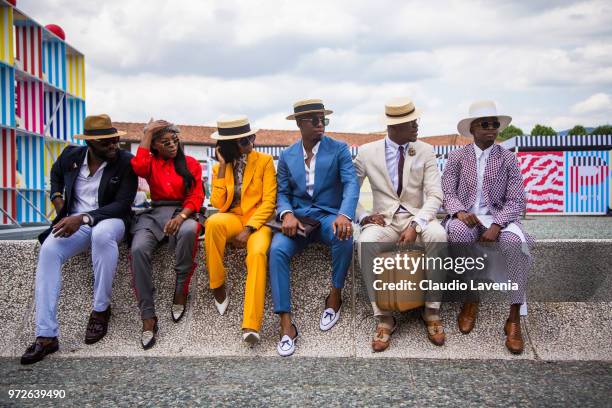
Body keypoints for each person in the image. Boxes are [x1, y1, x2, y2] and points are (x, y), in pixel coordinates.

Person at [21, 114, 137, 365]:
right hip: (76, 223)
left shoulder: (126, 162)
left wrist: (83, 218)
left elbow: (122, 205)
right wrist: (56, 197)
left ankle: (100, 310)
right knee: (50, 249)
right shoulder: (71, 156)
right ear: (91, 144)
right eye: (107, 143)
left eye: (115, 140)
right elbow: (55, 173)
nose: (113, 146)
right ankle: (46, 335)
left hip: (110, 220)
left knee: (102, 233)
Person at [355, 98, 448, 352]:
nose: (417, 126)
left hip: (418, 218)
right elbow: (348, 192)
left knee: (438, 236)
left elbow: (435, 196)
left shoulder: (426, 150)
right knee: (365, 242)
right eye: (411, 123)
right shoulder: (366, 153)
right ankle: (384, 317)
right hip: (384, 220)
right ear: (394, 127)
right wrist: (364, 216)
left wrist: (416, 224)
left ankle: (431, 311)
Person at [268, 99, 359, 356]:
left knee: (344, 236)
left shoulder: (339, 149)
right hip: (298, 221)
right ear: (299, 123)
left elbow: (351, 183)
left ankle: (334, 296)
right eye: (315, 120)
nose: (321, 124)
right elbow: (282, 191)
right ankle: (286, 326)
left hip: (330, 216)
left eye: (324, 119)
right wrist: (285, 213)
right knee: (276, 251)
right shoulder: (286, 156)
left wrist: (344, 214)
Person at [442, 100, 534, 354]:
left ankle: (514, 319)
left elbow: (517, 199)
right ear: (472, 128)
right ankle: (471, 299)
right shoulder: (458, 156)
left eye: (495, 125)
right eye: (485, 124)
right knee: (457, 233)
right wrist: (459, 211)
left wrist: (497, 224)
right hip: (467, 218)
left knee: (515, 245)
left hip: (500, 219)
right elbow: (447, 191)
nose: (491, 129)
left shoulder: (507, 158)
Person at [129, 119, 204, 349]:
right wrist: (148, 131)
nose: (172, 145)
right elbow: (138, 167)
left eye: (174, 140)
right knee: (138, 248)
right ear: (154, 146)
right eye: (165, 142)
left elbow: (197, 196)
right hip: (154, 214)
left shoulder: (191, 163)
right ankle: (148, 316)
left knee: (190, 229)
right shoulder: (150, 163)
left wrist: (181, 217)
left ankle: (181, 288)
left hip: (184, 211)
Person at [204, 116, 276, 346]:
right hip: (232, 216)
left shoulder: (265, 161)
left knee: (256, 255)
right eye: (244, 141)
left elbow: (269, 202)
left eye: (250, 138)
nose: (250, 143)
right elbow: (217, 201)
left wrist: (249, 229)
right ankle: (217, 285)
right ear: (229, 145)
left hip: (258, 221)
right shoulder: (219, 168)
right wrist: (224, 166)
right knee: (213, 223)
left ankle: (251, 325)